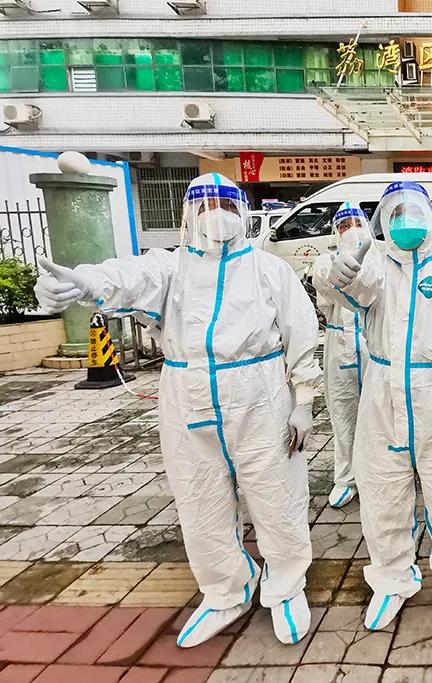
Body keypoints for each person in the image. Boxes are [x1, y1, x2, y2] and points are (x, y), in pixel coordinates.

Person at [33, 173, 321, 647]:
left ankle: (286, 584)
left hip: (260, 392)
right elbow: (126, 278)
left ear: (242, 212)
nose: (217, 214)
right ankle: (226, 590)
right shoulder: (170, 267)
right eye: (205, 205)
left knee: (277, 492)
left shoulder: (269, 270)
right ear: (188, 215)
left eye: (227, 204)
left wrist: (304, 400)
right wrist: (84, 282)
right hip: (186, 392)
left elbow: (302, 334)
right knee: (199, 497)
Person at [325, 181, 432, 631]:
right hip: (383, 396)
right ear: (384, 222)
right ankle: (391, 578)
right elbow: (348, 290)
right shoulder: (377, 269)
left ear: (430, 218)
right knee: (383, 495)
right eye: (397, 214)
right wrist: (338, 271)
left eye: (415, 212)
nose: (407, 222)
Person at [311, 203, 371, 509]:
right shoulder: (325, 260)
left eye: (356, 223)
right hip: (340, 342)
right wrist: (338, 269)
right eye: (344, 225)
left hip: (374, 344)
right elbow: (323, 281)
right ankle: (347, 477)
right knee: (343, 413)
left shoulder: (380, 259)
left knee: (382, 413)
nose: (350, 230)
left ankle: (381, 473)